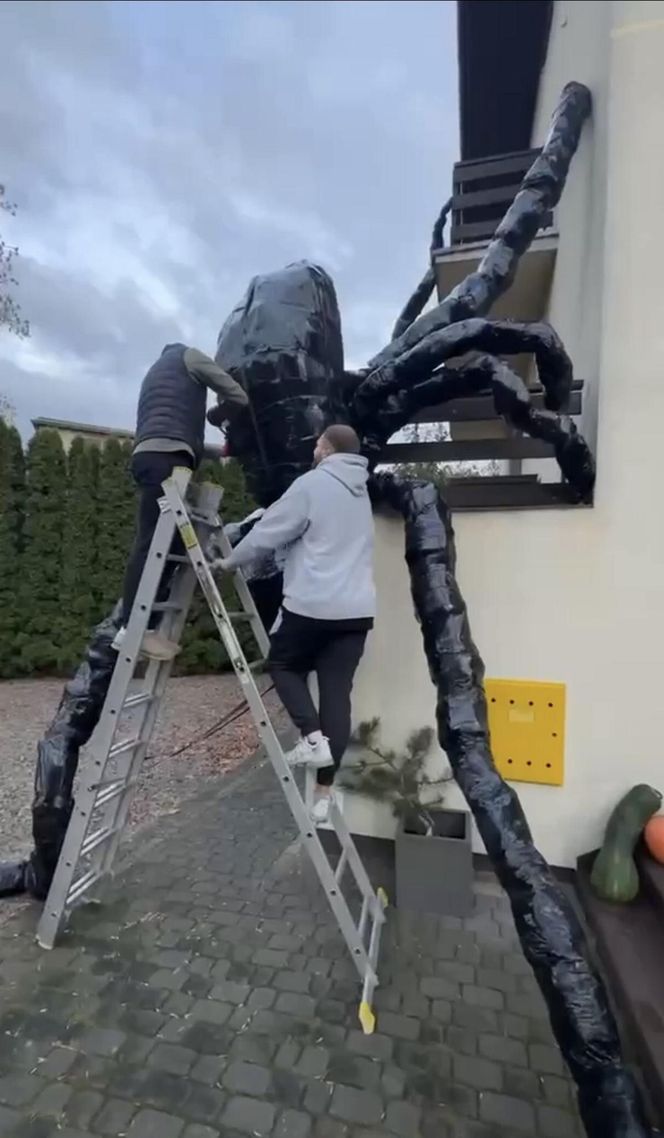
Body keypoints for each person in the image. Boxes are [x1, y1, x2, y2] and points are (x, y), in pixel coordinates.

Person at [216, 424, 375, 823]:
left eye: (318, 444)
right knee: (337, 697)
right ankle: (324, 795)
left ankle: (310, 737)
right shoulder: (361, 492)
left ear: (327, 448)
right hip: (356, 612)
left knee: (282, 665)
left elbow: (268, 533)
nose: (314, 449)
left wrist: (229, 561)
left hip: (314, 605)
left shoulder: (313, 484)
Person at [113, 342, 248, 660]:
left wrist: (220, 452)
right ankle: (132, 630)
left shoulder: (156, 373)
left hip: (150, 455)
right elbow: (238, 395)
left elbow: (171, 430)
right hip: (167, 459)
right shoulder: (189, 356)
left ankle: (146, 627)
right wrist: (218, 414)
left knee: (169, 543)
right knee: (150, 544)